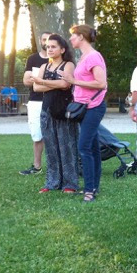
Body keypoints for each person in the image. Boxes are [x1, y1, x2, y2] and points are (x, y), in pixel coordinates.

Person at [58, 25, 107, 202]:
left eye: (73, 36)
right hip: (84, 107)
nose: (70, 39)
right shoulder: (84, 57)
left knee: (84, 147)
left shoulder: (93, 56)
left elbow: (101, 83)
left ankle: (89, 190)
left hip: (94, 107)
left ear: (81, 37)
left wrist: (73, 80)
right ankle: (93, 186)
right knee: (92, 148)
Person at [30, 34, 79, 193]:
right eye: (48, 46)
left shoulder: (68, 65)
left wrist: (43, 81)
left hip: (63, 112)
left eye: (53, 46)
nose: (49, 49)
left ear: (62, 49)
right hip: (46, 112)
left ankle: (69, 184)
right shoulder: (44, 67)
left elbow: (65, 84)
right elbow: (36, 88)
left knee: (67, 148)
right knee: (51, 149)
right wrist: (53, 84)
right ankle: (52, 183)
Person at [20, 32, 51, 175]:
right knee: (37, 135)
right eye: (44, 39)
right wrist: (47, 81)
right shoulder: (33, 59)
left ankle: (57, 166)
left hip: (53, 101)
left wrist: (37, 79)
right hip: (35, 102)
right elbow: (26, 81)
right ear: (40, 41)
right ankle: (37, 166)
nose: (47, 43)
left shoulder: (58, 60)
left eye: (49, 40)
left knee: (56, 135)